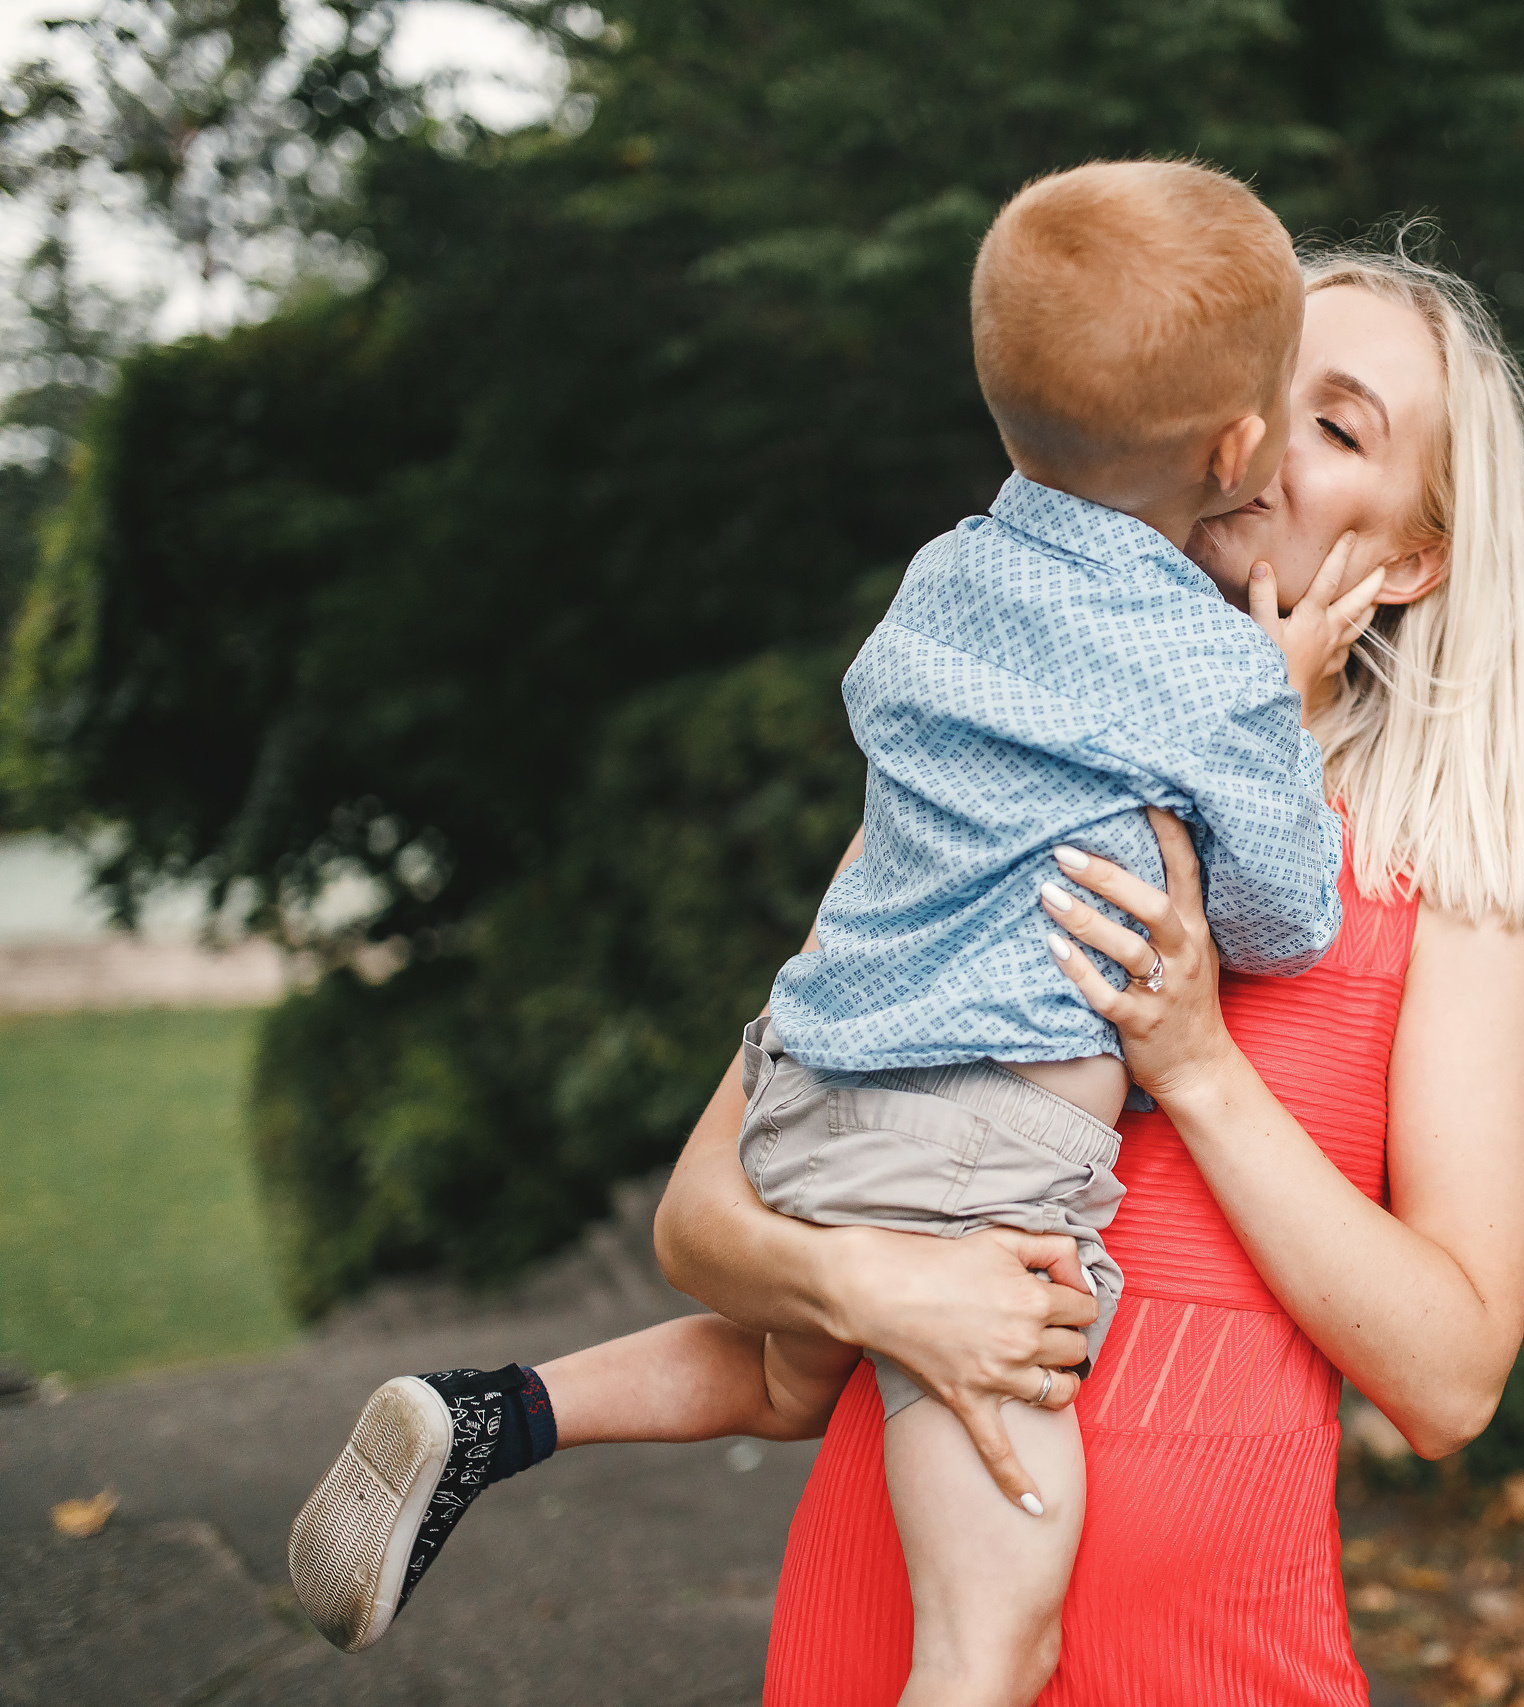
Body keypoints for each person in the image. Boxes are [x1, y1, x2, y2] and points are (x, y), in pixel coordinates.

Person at [285, 159, 1364, 1705]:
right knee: (991, 1644)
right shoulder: (1211, 671)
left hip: (815, 1083)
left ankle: (493, 1415)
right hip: (982, 1162)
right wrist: (1284, 713)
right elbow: (1286, 919)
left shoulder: (941, 581)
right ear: (1241, 446)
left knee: (797, 1378)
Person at [663, 241, 1524, 1703]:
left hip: (1212, 1650)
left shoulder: (1453, 882)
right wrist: (875, 1288)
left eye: (1340, 422)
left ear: (1413, 557)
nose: (1257, 437)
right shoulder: (989, 775)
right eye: (1259, 385)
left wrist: (1196, 1062)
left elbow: (1451, 1382)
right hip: (901, 1600)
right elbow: (701, 1223)